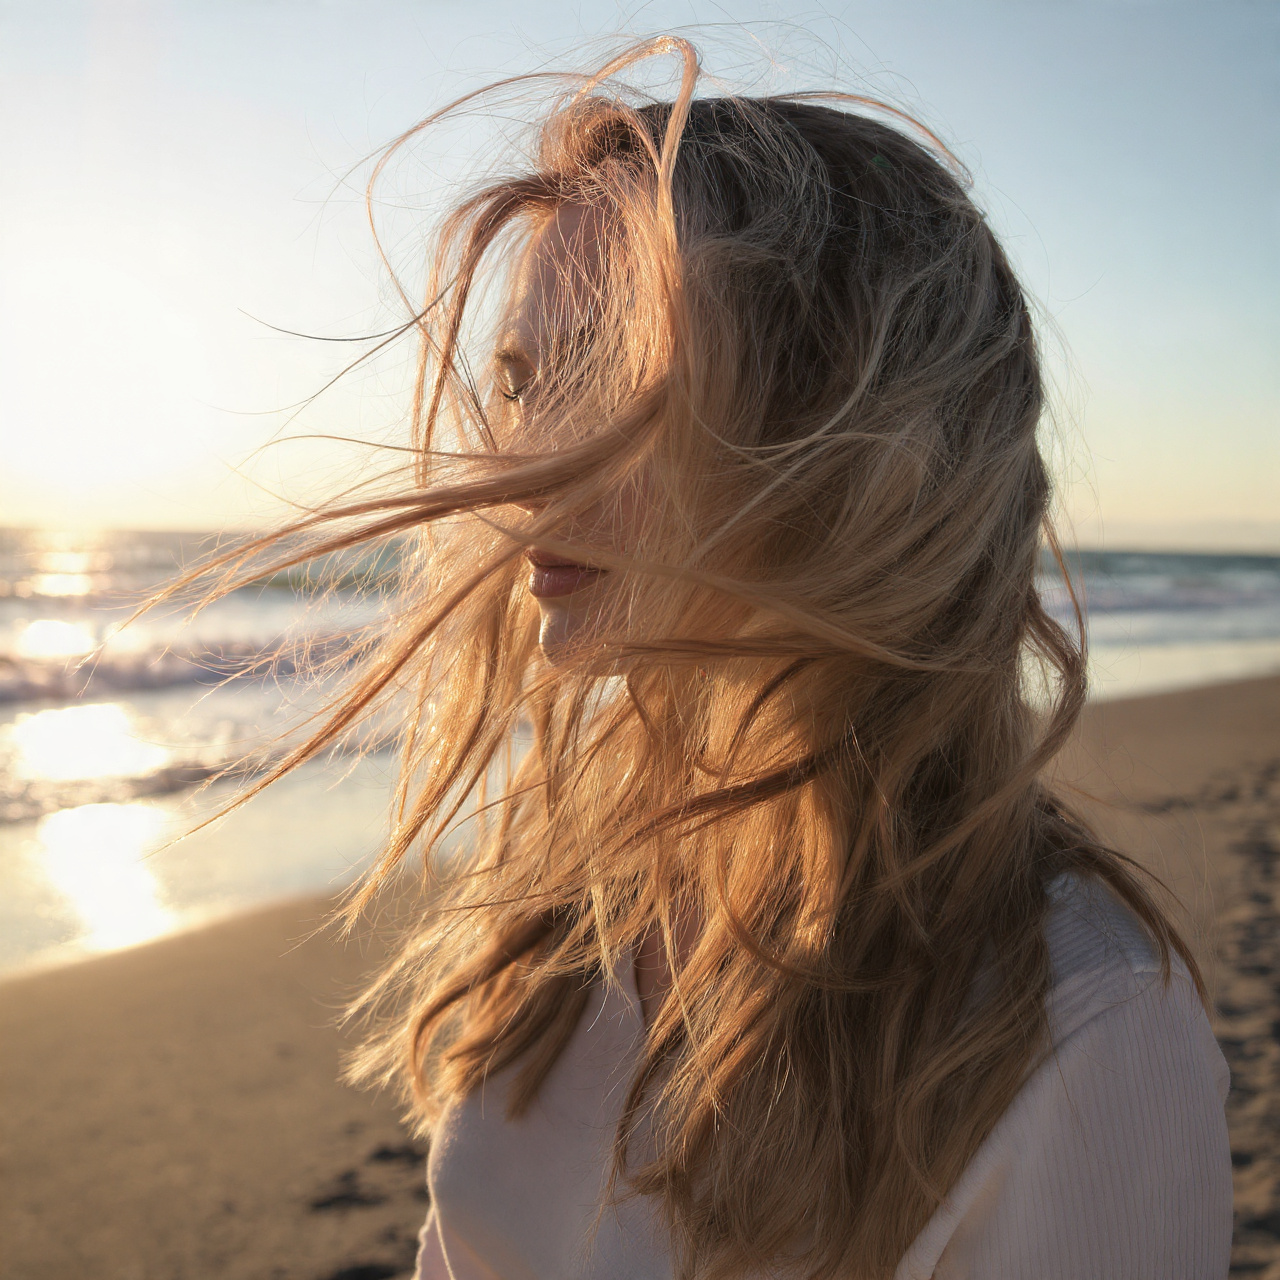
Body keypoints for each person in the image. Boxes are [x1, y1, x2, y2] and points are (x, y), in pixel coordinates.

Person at [197, 36, 1231, 1280]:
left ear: (846, 449)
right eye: (522, 385)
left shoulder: (1075, 1020)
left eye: (618, 379)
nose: (516, 475)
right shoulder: (578, 869)